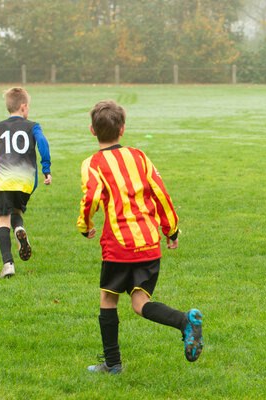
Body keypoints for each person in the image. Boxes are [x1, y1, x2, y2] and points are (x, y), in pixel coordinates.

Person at [77, 100, 203, 374]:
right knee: (139, 303)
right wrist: (171, 229)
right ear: (122, 129)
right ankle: (184, 322)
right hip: (148, 244)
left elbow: (90, 199)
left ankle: (112, 364)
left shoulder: (93, 163)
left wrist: (84, 226)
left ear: (91, 130)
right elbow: (160, 192)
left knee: (108, 300)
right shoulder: (140, 156)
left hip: (119, 246)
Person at [0, 87, 52, 278]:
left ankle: (8, 264)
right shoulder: (33, 126)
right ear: (23, 107)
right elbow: (43, 144)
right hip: (26, 180)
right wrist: (46, 168)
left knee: (2, 220)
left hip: (4, 180)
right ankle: (19, 228)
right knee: (16, 212)